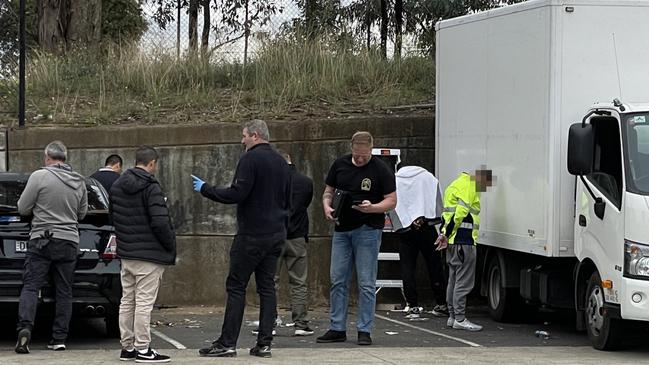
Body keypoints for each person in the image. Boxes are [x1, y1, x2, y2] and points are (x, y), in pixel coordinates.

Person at [192, 119, 291, 358]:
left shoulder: (250, 159)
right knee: (267, 288)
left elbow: (237, 193)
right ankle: (264, 343)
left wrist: (206, 189)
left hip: (252, 234)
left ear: (255, 135)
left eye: (244, 135)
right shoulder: (281, 162)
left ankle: (227, 343)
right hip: (276, 233)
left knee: (236, 286)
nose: (242, 140)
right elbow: (289, 198)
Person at [316, 131, 396, 346]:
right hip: (342, 228)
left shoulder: (380, 169)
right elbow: (328, 191)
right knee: (338, 279)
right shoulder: (340, 164)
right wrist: (326, 205)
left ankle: (364, 329)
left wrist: (373, 208)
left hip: (368, 229)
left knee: (366, 282)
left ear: (371, 149)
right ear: (351, 148)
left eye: (364, 155)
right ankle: (337, 327)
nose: (360, 159)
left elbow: (391, 201)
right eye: (357, 155)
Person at [15, 140, 88, 354]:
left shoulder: (39, 176)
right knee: (64, 291)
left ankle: (25, 329)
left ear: (47, 157)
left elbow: (23, 207)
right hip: (69, 241)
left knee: (31, 286)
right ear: (65, 158)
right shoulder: (79, 181)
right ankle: (59, 339)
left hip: (42, 239)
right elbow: (81, 214)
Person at [110, 146, 176, 363]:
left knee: (127, 300)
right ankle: (143, 349)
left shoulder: (118, 185)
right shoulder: (151, 186)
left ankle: (127, 347)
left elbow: (114, 217)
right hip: (149, 255)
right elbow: (160, 222)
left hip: (127, 254)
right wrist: (169, 245)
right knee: (144, 303)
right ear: (152, 163)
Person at [435, 168, 493, 332]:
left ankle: (453, 317)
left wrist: (444, 233)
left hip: (453, 242)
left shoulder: (453, 185)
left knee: (453, 280)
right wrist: (448, 234)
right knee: (464, 282)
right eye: (487, 183)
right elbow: (460, 213)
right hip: (464, 241)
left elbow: (447, 215)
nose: (485, 187)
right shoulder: (470, 185)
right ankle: (460, 318)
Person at [394, 165, 448, 317]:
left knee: (407, 267)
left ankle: (413, 305)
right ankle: (441, 302)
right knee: (434, 264)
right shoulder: (428, 177)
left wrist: (409, 220)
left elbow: (394, 203)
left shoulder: (396, 179)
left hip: (406, 230)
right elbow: (436, 199)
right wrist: (424, 216)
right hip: (426, 227)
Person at [272, 150, 314, 336]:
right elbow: (304, 205)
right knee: (298, 282)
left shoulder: (271, 182)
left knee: (270, 281)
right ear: (291, 160)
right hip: (297, 236)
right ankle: (301, 323)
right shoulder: (306, 182)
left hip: (274, 237)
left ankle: (270, 321)